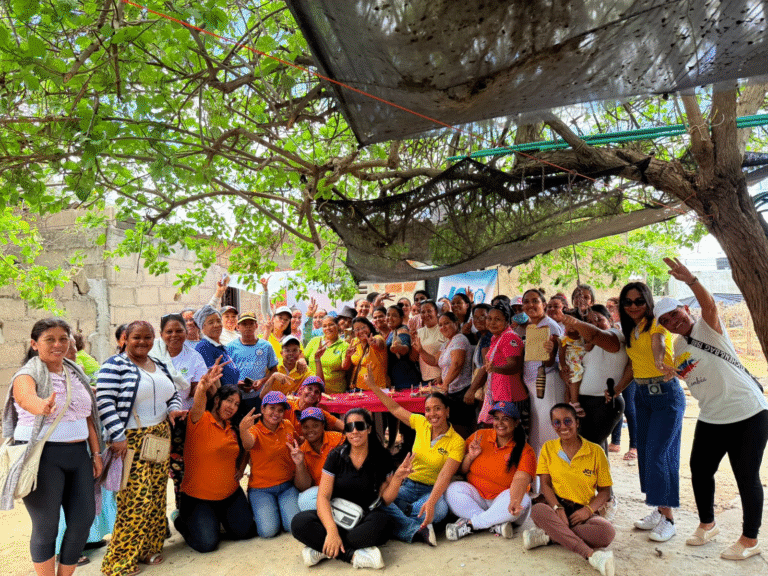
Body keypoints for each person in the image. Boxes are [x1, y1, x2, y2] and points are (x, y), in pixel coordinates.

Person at [658, 257, 768, 560]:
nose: (673, 321)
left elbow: (711, 306)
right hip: (711, 417)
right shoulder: (679, 347)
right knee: (699, 470)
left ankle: (750, 539)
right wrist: (674, 372)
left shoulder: (709, 327)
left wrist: (691, 280)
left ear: (686, 310)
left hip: (747, 413)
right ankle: (708, 525)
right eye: (666, 321)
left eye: (675, 314)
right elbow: (695, 373)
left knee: (746, 476)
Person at [2, 319, 102, 576]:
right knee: (47, 526)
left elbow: (87, 416)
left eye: (63, 338)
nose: (58, 344)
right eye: (50, 339)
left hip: (79, 455)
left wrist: (97, 452)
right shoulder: (28, 373)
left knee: (83, 521)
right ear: (35, 344)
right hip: (42, 457)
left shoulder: (74, 372)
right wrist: (40, 406)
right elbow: (25, 397)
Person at [97, 320, 186, 575]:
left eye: (147, 338)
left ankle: (148, 548)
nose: (142, 342)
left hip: (159, 434)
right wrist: (117, 435)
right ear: (125, 337)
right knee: (136, 499)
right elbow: (104, 401)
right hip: (130, 439)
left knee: (157, 495)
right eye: (137, 337)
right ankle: (119, 561)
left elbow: (173, 393)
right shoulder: (114, 365)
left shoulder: (157, 364)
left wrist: (173, 409)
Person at [610, 281, 684, 542]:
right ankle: (658, 507)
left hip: (665, 394)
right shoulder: (631, 329)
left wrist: (659, 360)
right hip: (642, 395)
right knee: (647, 456)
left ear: (648, 302)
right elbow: (631, 364)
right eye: (627, 302)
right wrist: (617, 389)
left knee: (658, 455)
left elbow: (658, 343)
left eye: (638, 301)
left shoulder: (656, 323)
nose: (633, 306)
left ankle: (669, 519)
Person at [291, 408, 410, 569]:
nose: (355, 431)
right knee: (299, 522)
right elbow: (323, 496)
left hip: (365, 518)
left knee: (384, 524)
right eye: (349, 427)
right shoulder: (336, 456)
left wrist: (396, 479)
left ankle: (323, 549)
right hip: (336, 515)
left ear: (368, 428)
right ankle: (352, 555)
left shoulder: (382, 457)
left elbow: (386, 500)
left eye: (359, 426)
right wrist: (332, 531)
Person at [367, 371, 464, 545]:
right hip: (408, 485)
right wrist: (374, 387)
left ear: (447, 411)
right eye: (428, 409)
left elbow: (444, 476)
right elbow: (395, 408)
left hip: (431, 490)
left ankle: (396, 519)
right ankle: (415, 528)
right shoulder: (421, 423)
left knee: (439, 510)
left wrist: (432, 501)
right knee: (377, 498)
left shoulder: (457, 442)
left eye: (437, 408)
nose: (432, 414)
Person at [173, 361, 256, 552]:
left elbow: (246, 448)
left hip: (230, 494)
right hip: (198, 497)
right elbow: (199, 402)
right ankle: (181, 521)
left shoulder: (233, 428)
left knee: (245, 532)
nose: (232, 407)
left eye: (236, 404)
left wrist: (241, 467)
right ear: (217, 400)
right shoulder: (200, 419)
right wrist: (202, 387)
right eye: (229, 401)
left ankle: (216, 518)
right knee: (207, 544)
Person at [523, 404, 615, 576]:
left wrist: (588, 511)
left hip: (582, 512)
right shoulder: (548, 449)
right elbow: (545, 485)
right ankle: (591, 555)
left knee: (607, 533)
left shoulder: (596, 451)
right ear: (552, 426)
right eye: (557, 423)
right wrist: (557, 508)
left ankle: (549, 536)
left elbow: (605, 492)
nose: (563, 427)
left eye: (567, 421)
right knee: (537, 510)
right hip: (556, 508)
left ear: (577, 422)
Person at [445, 401, 536, 540]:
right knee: (452, 489)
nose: (500, 423)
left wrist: (515, 500)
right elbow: (462, 471)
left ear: (516, 422)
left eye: (506, 419)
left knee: (522, 498)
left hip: (503, 502)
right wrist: (470, 456)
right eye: (496, 418)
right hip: (478, 499)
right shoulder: (480, 436)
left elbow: (521, 479)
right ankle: (494, 524)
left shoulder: (526, 450)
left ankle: (471, 524)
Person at [153, 313, 208, 509]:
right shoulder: (151, 355)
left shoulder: (194, 357)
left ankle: (183, 513)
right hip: (155, 423)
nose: (174, 335)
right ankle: (159, 522)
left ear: (187, 332)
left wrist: (205, 386)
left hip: (183, 424)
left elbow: (196, 390)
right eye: (169, 331)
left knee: (180, 472)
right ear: (161, 334)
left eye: (179, 330)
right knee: (155, 472)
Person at [560, 306, 628, 454]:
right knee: (595, 451)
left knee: (588, 450)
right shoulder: (586, 346)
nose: (594, 324)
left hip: (604, 402)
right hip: (583, 403)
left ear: (610, 320)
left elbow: (596, 334)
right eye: (589, 322)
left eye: (599, 320)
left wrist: (575, 322)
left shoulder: (616, 336)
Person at [242, 391, 300, 538]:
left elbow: (299, 441)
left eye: (280, 410)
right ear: (263, 409)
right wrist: (242, 430)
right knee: (268, 532)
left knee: (293, 526)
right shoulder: (254, 430)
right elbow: (248, 444)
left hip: (287, 485)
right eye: (272, 408)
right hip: (261, 489)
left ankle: (276, 511)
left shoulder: (287, 425)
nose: (276, 413)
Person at [418, 311, 474, 436]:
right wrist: (420, 350)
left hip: (461, 391)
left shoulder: (459, 339)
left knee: (462, 429)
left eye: (446, 323)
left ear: (456, 323)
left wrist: (445, 383)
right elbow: (434, 361)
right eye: (441, 325)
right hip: (452, 392)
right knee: (454, 428)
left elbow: (457, 364)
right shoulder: (446, 343)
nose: (443, 327)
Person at [523, 288, 565, 455]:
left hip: (547, 381)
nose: (530, 305)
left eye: (535, 301)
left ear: (544, 304)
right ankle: (536, 480)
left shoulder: (549, 326)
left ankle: (555, 477)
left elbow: (549, 361)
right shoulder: (531, 326)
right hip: (533, 383)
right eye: (526, 301)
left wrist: (550, 350)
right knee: (536, 434)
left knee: (549, 434)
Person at [474, 303, 526, 428]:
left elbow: (514, 366)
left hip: (510, 396)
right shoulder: (496, 338)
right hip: (499, 394)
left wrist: (495, 369)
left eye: (497, 319)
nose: (492, 322)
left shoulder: (509, 337)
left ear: (507, 322)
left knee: (512, 435)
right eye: (489, 318)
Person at [289, 407, 345, 511]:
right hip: (322, 491)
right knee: (304, 501)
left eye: (315, 426)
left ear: (323, 426)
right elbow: (304, 487)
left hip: (343, 486)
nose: (310, 430)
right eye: (305, 427)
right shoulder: (301, 451)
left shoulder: (338, 439)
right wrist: (300, 464)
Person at [225, 311, 278, 413]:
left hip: (260, 396)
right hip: (236, 397)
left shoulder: (266, 346)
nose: (248, 327)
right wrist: (236, 383)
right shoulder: (230, 347)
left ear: (256, 326)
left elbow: (274, 370)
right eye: (244, 324)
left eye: (251, 323)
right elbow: (226, 373)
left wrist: (261, 381)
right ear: (238, 327)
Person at [193, 305, 240, 387]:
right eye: (210, 322)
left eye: (218, 321)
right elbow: (212, 383)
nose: (216, 325)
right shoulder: (204, 347)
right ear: (202, 327)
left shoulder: (220, 347)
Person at [304, 316, 350, 394]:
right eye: (324, 326)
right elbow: (303, 358)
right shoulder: (315, 341)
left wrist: (348, 356)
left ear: (338, 326)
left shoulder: (344, 345)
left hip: (335, 392)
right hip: (312, 391)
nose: (328, 328)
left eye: (331, 325)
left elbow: (345, 367)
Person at [342, 317, 388, 390]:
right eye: (357, 330)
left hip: (376, 388)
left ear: (369, 327)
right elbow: (345, 367)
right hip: (357, 387)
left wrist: (373, 343)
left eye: (363, 327)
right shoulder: (354, 341)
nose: (361, 331)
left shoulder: (377, 337)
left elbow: (380, 344)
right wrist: (347, 356)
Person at [412, 299, 445, 384]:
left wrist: (442, 375)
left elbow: (451, 357)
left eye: (429, 311)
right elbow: (414, 358)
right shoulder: (419, 332)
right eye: (423, 312)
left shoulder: (444, 329)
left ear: (436, 312)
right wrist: (412, 340)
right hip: (425, 379)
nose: (426, 314)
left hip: (441, 378)